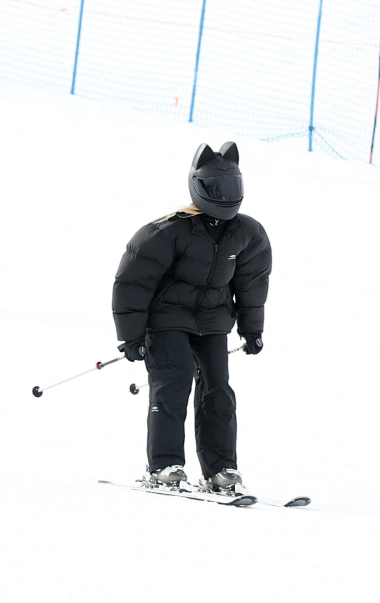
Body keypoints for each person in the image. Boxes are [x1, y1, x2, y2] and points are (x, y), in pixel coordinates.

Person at [112, 142, 272, 492]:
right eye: (218, 189)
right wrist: (131, 335)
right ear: (198, 186)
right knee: (175, 379)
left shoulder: (247, 233)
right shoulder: (166, 231)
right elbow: (132, 283)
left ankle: (221, 469)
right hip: (167, 319)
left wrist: (251, 330)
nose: (226, 196)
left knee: (218, 390)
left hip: (213, 321)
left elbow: (252, 284)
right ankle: (164, 464)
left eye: (232, 188)